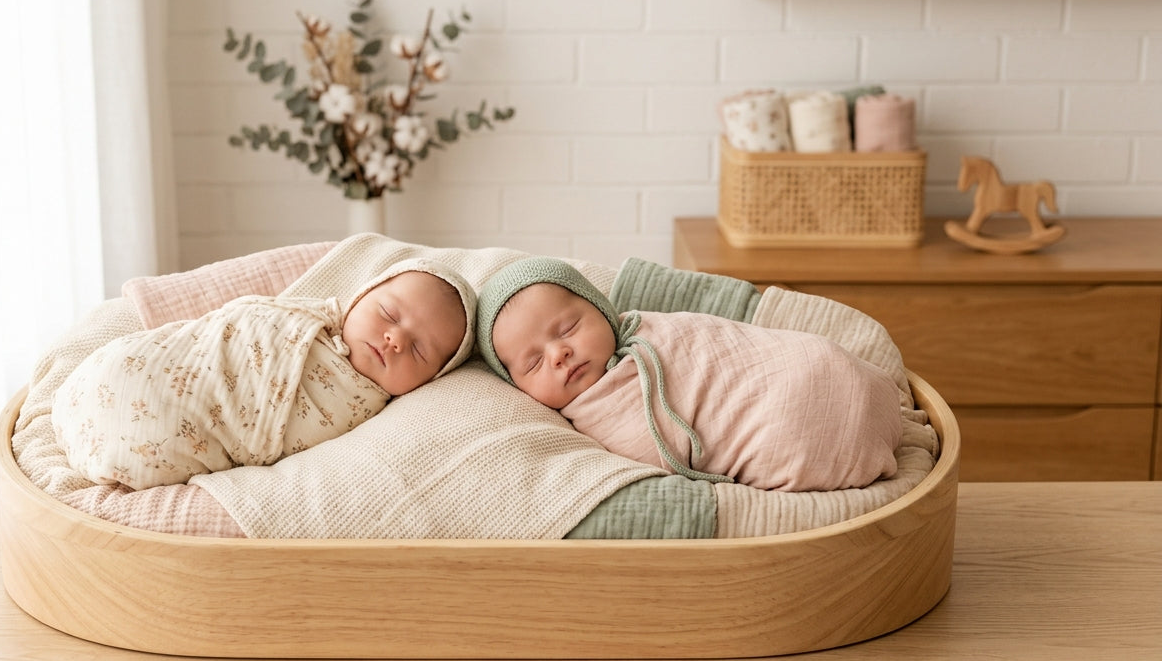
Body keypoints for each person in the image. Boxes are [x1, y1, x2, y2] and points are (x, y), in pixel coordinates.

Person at [476, 257, 902, 492]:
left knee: (818, 362)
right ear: (518, 387)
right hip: (789, 430)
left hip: (814, 369)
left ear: (601, 309)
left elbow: (725, 346)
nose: (559, 354)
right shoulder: (587, 417)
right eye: (533, 363)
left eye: (568, 328)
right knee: (789, 430)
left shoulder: (652, 328)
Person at [53, 258, 476, 491]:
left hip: (169, 434)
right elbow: (231, 326)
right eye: (388, 313)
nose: (394, 339)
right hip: (137, 371)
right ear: (361, 296)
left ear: (431, 380)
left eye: (419, 350)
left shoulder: (365, 410)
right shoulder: (303, 315)